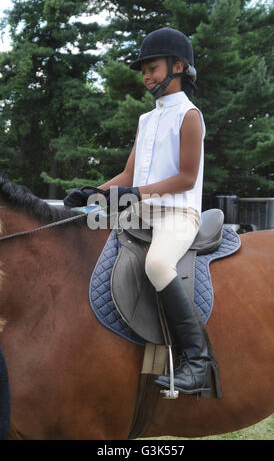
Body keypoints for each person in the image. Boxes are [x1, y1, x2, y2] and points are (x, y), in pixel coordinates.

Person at [65, 27, 213, 396]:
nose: (147, 76)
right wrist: (94, 192)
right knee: (88, 235)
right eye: (144, 69)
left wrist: (132, 193)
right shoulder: (147, 120)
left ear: (179, 67)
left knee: (158, 265)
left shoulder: (189, 116)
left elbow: (185, 177)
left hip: (178, 214)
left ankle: (198, 360)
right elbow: (130, 174)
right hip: (143, 210)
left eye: (153, 67)